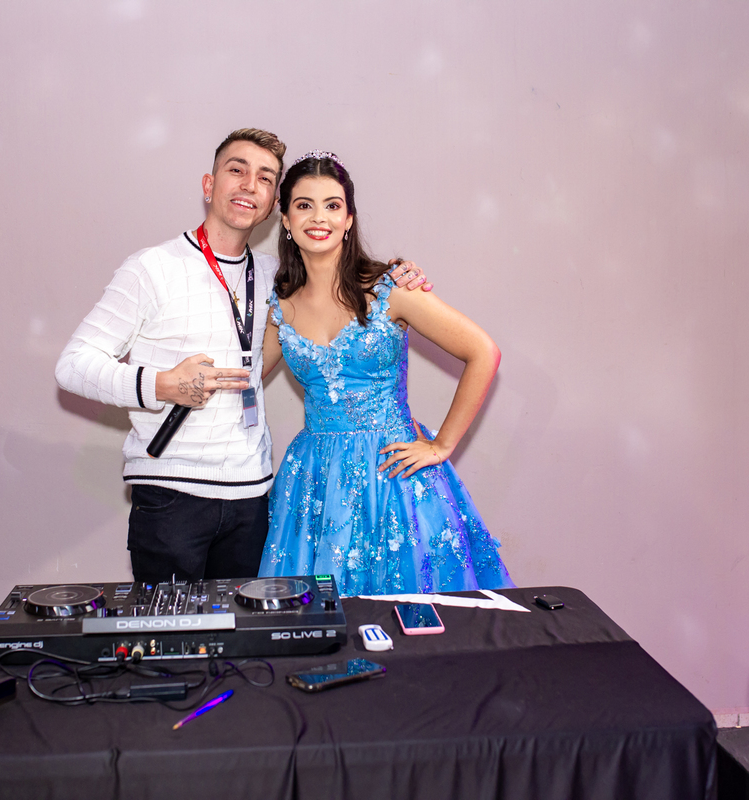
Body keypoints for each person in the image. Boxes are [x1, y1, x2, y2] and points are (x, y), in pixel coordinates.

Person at [55, 130, 429, 584]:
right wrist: (161, 384)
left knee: (248, 630)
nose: (250, 185)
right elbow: (72, 365)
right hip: (172, 496)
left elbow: (322, 304)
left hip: (253, 498)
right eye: (237, 170)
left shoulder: (279, 280)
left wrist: (397, 276)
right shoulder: (152, 268)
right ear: (209, 184)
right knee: (171, 630)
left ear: (273, 206)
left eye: (265, 178)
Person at [259, 151, 513, 595]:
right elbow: (243, 375)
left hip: (392, 472)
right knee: (318, 617)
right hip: (314, 479)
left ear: (348, 219)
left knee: (414, 617)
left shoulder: (392, 290)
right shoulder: (279, 306)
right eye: (304, 205)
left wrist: (441, 445)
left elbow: (483, 352)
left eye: (332, 205)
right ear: (285, 219)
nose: (318, 218)